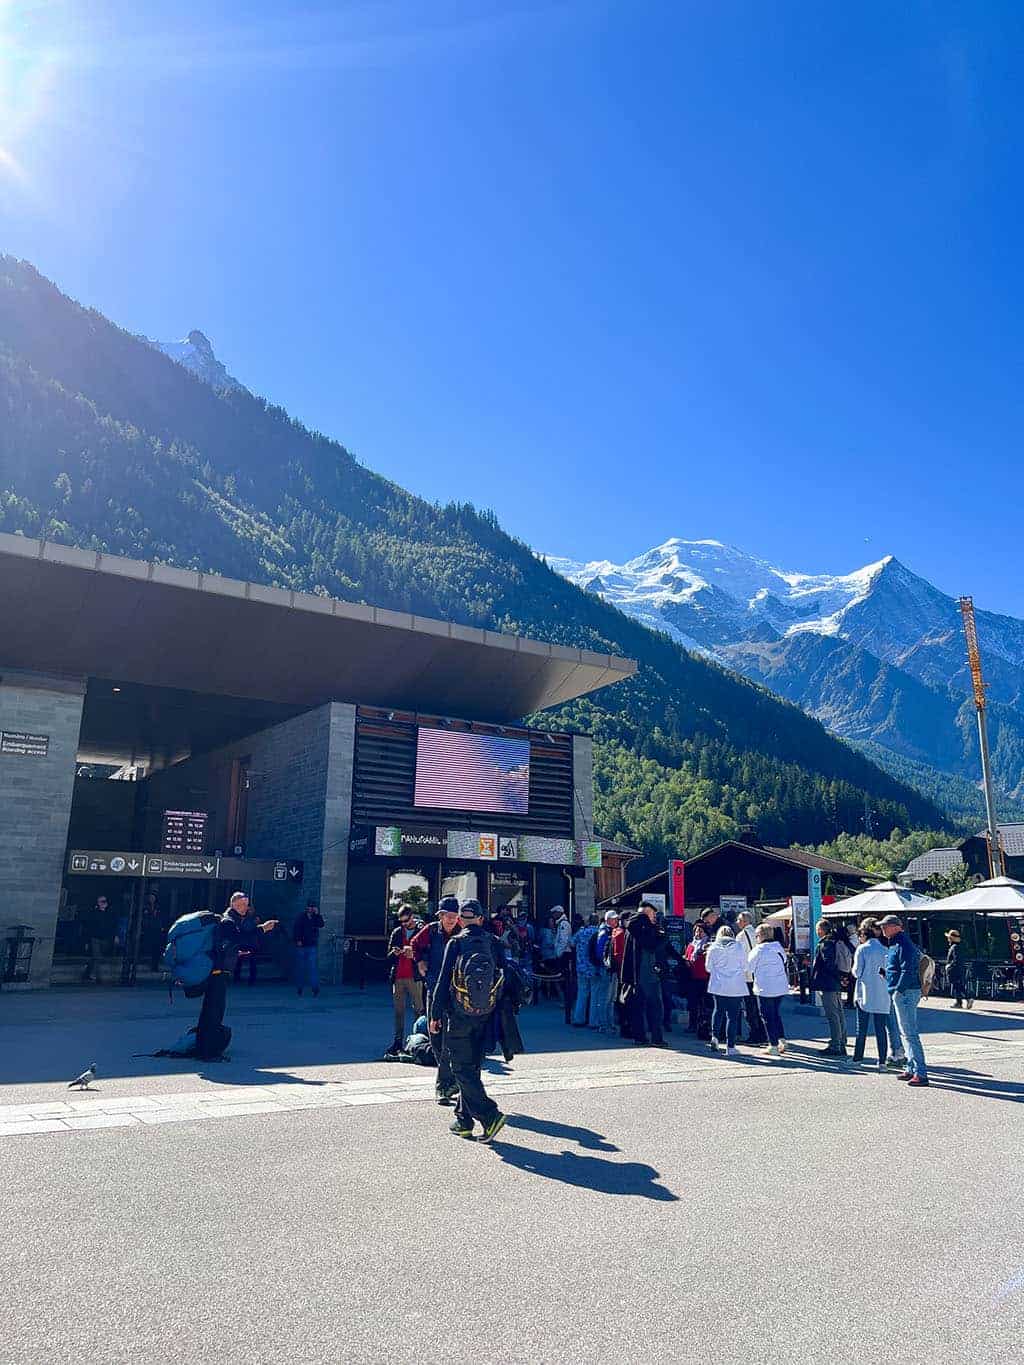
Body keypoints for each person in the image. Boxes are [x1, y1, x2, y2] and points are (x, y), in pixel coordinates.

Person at [429, 900, 508, 1143]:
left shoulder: (456, 942)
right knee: (472, 1066)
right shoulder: (493, 942)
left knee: (460, 1067)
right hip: (486, 1014)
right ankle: (463, 1120)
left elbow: (443, 982)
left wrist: (434, 1015)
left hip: (459, 1015)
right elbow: (505, 975)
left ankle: (489, 1114)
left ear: (461, 920)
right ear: (482, 919)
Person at [196, 893, 278, 1059]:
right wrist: (263, 928)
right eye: (241, 905)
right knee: (214, 1011)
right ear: (232, 904)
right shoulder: (228, 921)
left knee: (212, 1010)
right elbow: (241, 938)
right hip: (217, 972)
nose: (244, 908)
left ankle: (205, 1048)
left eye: (246, 905)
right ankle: (208, 1052)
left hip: (219, 970)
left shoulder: (231, 921)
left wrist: (236, 952)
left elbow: (231, 943)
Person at [411, 896, 462, 1104]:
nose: (451, 920)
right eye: (447, 916)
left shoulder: (462, 931)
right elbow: (414, 944)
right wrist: (420, 963)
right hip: (434, 987)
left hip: (456, 990)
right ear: (440, 916)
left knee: (453, 1037)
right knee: (435, 1037)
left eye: (454, 916)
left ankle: (443, 1086)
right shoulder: (431, 930)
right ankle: (448, 1082)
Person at [880, 913, 929, 1087]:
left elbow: (908, 970)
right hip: (903, 990)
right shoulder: (898, 943)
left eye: (885, 926)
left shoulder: (902, 944)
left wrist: (898, 990)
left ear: (896, 927)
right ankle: (911, 1067)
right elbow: (901, 969)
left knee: (910, 1034)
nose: (882, 929)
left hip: (906, 992)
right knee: (906, 1033)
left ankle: (921, 1073)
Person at [620, 903, 666, 1046]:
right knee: (655, 1008)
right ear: (646, 913)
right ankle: (657, 1038)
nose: (654, 918)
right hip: (647, 974)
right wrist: (662, 936)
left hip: (634, 975)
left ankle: (639, 1037)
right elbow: (652, 945)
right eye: (653, 914)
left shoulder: (631, 928)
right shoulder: (644, 926)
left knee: (637, 1008)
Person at [851, 917, 890, 1069]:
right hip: (882, 994)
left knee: (861, 1029)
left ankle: (857, 1058)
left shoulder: (862, 949)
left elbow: (857, 972)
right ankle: (882, 1061)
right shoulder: (885, 949)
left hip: (865, 993)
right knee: (881, 1029)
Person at [386, 905, 424, 1058]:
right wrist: (395, 953)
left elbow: (426, 952)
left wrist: (413, 955)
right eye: (402, 921)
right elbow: (388, 956)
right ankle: (398, 1041)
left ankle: (419, 1041)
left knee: (418, 1010)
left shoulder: (421, 931)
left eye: (407, 921)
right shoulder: (397, 932)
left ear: (412, 917)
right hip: (399, 976)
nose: (404, 924)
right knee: (399, 1012)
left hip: (415, 976)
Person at [705, 925, 748, 1055]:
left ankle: (715, 1038)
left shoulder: (713, 947)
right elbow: (745, 966)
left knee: (718, 1011)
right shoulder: (739, 947)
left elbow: (708, 967)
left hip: (718, 985)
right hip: (736, 986)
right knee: (733, 1017)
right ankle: (731, 1046)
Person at [747, 923, 789, 1056]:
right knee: (776, 1014)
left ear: (760, 936)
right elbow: (785, 961)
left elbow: (749, 967)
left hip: (764, 987)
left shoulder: (757, 950)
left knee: (767, 1016)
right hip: (780, 986)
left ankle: (773, 1045)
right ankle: (782, 1040)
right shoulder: (779, 948)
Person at [810, 920, 848, 1057]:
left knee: (832, 1015)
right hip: (835, 982)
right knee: (839, 1013)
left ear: (821, 930)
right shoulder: (834, 941)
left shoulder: (825, 943)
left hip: (828, 983)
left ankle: (835, 1045)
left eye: (817, 928)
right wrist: (841, 978)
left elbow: (828, 963)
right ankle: (841, 1042)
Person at [735, 909, 768, 1045]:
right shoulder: (756, 933)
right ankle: (762, 1033)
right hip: (758, 974)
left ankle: (754, 1034)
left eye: (738, 920)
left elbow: (739, 956)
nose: (737, 922)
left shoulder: (742, 936)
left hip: (747, 976)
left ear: (744, 921)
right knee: (757, 1005)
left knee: (749, 1006)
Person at [571, 913, 601, 1027]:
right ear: (597, 921)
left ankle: (579, 1019)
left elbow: (571, 943)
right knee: (595, 994)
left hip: (581, 967)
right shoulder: (599, 932)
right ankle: (593, 1021)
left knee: (582, 993)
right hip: (594, 967)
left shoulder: (581, 932)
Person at [684, 922, 712, 1038]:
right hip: (692, 977)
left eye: (700, 931)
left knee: (704, 1004)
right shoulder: (691, 945)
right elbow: (686, 955)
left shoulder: (708, 944)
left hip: (704, 977)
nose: (698, 933)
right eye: (696, 931)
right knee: (693, 1003)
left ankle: (704, 1025)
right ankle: (692, 1024)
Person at [594, 910, 619, 1033]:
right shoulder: (604, 932)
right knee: (605, 997)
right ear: (608, 920)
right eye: (614, 919)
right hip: (606, 969)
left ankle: (610, 1023)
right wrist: (606, 964)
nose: (616, 921)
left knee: (611, 998)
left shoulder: (610, 931)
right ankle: (603, 1024)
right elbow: (599, 952)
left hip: (611, 969)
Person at [229, 895, 263, 985]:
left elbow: (249, 928)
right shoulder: (239, 916)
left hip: (251, 943)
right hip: (244, 942)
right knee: (240, 961)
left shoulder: (252, 917)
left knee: (251, 962)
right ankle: (238, 978)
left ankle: (251, 980)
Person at [81, 894, 115, 984]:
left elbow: (112, 926)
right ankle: (98, 977)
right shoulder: (93, 913)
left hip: (105, 938)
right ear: (98, 903)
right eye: (102, 901)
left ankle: (87, 973)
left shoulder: (109, 914)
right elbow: (89, 927)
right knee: (97, 957)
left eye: (105, 901)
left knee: (96, 957)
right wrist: (87, 940)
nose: (104, 903)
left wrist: (114, 936)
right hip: (95, 938)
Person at [292, 900, 324, 997]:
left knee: (312, 967)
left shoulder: (315, 917)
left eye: (312, 907)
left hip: (312, 945)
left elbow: (321, 924)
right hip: (302, 945)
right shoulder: (301, 917)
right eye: (309, 907)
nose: (310, 909)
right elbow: (296, 929)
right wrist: (297, 940)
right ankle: (300, 987)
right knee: (301, 967)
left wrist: (318, 914)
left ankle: (315, 988)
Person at [945, 929, 972, 1009]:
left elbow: (956, 959)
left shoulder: (955, 947)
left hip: (955, 969)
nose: (948, 939)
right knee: (958, 986)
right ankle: (959, 1002)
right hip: (958, 969)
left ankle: (966, 998)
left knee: (957, 985)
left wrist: (949, 966)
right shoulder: (958, 946)